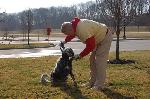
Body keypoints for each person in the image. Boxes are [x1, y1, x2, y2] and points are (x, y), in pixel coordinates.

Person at [60, 17, 113, 90]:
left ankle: (99, 85)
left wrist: (80, 55)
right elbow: (72, 34)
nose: (68, 35)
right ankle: (92, 82)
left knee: (100, 61)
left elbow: (90, 46)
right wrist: (65, 41)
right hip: (96, 39)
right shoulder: (74, 26)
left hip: (104, 37)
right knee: (92, 60)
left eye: (67, 33)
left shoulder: (82, 30)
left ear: (70, 29)